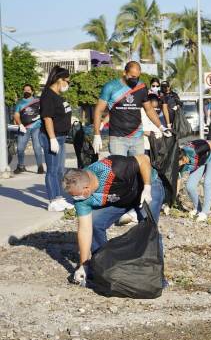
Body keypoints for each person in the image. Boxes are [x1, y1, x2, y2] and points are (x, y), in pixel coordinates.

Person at [62, 154, 165, 285]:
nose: (75, 199)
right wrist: (83, 265)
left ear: (87, 189)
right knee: (95, 223)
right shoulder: (81, 197)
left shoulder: (114, 168)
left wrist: (147, 187)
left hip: (146, 187)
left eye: (76, 196)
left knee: (149, 230)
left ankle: (156, 276)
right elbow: (85, 229)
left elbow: (144, 159)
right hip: (121, 198)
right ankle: (103, 265)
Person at [92, 61, 170, 157]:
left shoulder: (141, 87)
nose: (135, 80)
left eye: (137, 77)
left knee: (139, 169)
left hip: (137, 138)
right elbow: (98, 110)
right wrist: (96, 134)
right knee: (120, 169)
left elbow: (149, 109)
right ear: (124, 73)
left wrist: (161, 127)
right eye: (132, 77)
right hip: (118, 138)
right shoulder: (111, 87)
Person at [38, 66, 74, 212]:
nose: (68, 84)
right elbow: (47, 118)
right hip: (51, 137)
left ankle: (59, 197)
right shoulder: (48, 95)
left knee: (59, 170)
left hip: (60, 136)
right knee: (52, 170)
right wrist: (52, 138)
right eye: (67, 81)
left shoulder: (57, 95)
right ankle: (53, 201)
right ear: (60, 79)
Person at [13, 84, 44, 174]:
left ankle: (40, 167)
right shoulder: (20, 103)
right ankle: (21, 166)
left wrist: (40, 116)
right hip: (24, 128)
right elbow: (16, 114)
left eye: (28, 90)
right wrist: (20, 125)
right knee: (19, 148)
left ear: (32, 91)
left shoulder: (38, 101)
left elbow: (44, 111)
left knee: (37, 147)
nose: (26, 91)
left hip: (36, 127)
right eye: (25, 90)